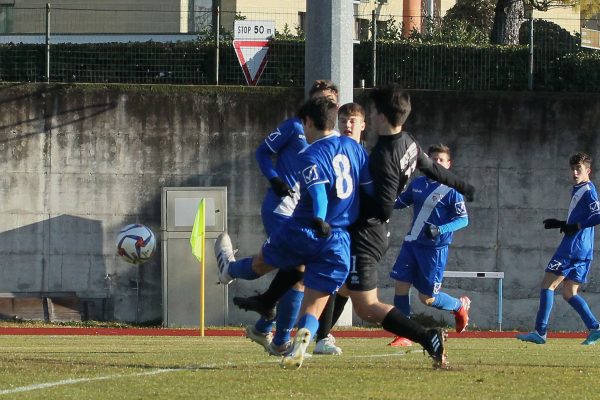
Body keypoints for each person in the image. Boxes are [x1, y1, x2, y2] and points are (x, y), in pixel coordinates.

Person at [239, 84, 476, 369]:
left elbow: (384, 204)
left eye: (373, 111)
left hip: (363, 234)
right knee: (324, 280)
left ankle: (428, 337)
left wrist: (348, 207)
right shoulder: (409, 142)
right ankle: (299, 334)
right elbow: (432, 168)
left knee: (366, 306)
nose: (370, 115)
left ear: (381, 117)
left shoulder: (381, 156)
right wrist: (463, 185)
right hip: (366, 231)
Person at [215, 96, 373, 369]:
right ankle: (298, 343)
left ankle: (228, 269)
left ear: (309, 122)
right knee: (316, 298)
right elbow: (370, 186)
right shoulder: (353, 147)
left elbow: (319, 194)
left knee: (261, 264)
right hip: (339, 240)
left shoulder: (310, 154)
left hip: (305, 228)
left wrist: (320, 218)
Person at [243, 80, 340, 356]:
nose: (326, 105)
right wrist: (274, 179)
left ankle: (266, 328)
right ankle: (281, 339)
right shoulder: (294, 128)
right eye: (321, 100)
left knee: (299, 272)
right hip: (282, 208)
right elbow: (262, 151)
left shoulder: (335, 142)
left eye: (331, 101)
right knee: (296, 271)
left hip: (306, 215)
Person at [388, 144, 470, 347]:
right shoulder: (418, 184)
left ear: (448, 164)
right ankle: (404, 334)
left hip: (434, 251)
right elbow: (399, 202)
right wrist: (383, 197)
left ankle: (459, 306)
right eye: (433, 159)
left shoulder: (452, 190)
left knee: (427, 298)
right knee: (400, 286)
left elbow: (463, 219)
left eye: (441, 160)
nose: (436, 163)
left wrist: (440, 229)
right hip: (411, 244)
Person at [517, 152, 600, 345]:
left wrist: (575, 227)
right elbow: (582, 217)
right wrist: (563, 223)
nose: (574, 172)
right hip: (584, 249)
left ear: (588, 170)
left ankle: (540, 332)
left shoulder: (588, 190)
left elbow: (598, 215)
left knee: (548, 285)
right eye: (572, 168)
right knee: (569, 292)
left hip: (572, 247)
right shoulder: (580, 189)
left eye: (578, 168)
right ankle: (595, 327)